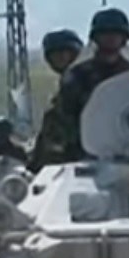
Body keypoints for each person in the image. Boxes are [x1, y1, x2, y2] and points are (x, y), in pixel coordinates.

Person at [52, 8, 129, 162]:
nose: (110, 38)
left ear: (124, 38)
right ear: (96, 37)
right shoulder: (78, 75)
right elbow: (64, 119)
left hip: (127, 150)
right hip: (85, 154)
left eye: (115, 33)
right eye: (105, 33)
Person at [27, 29, 86, 172]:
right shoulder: (63, 92)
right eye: (55, 54)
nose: (61, 58)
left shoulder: (89, 81)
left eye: (66, 53)